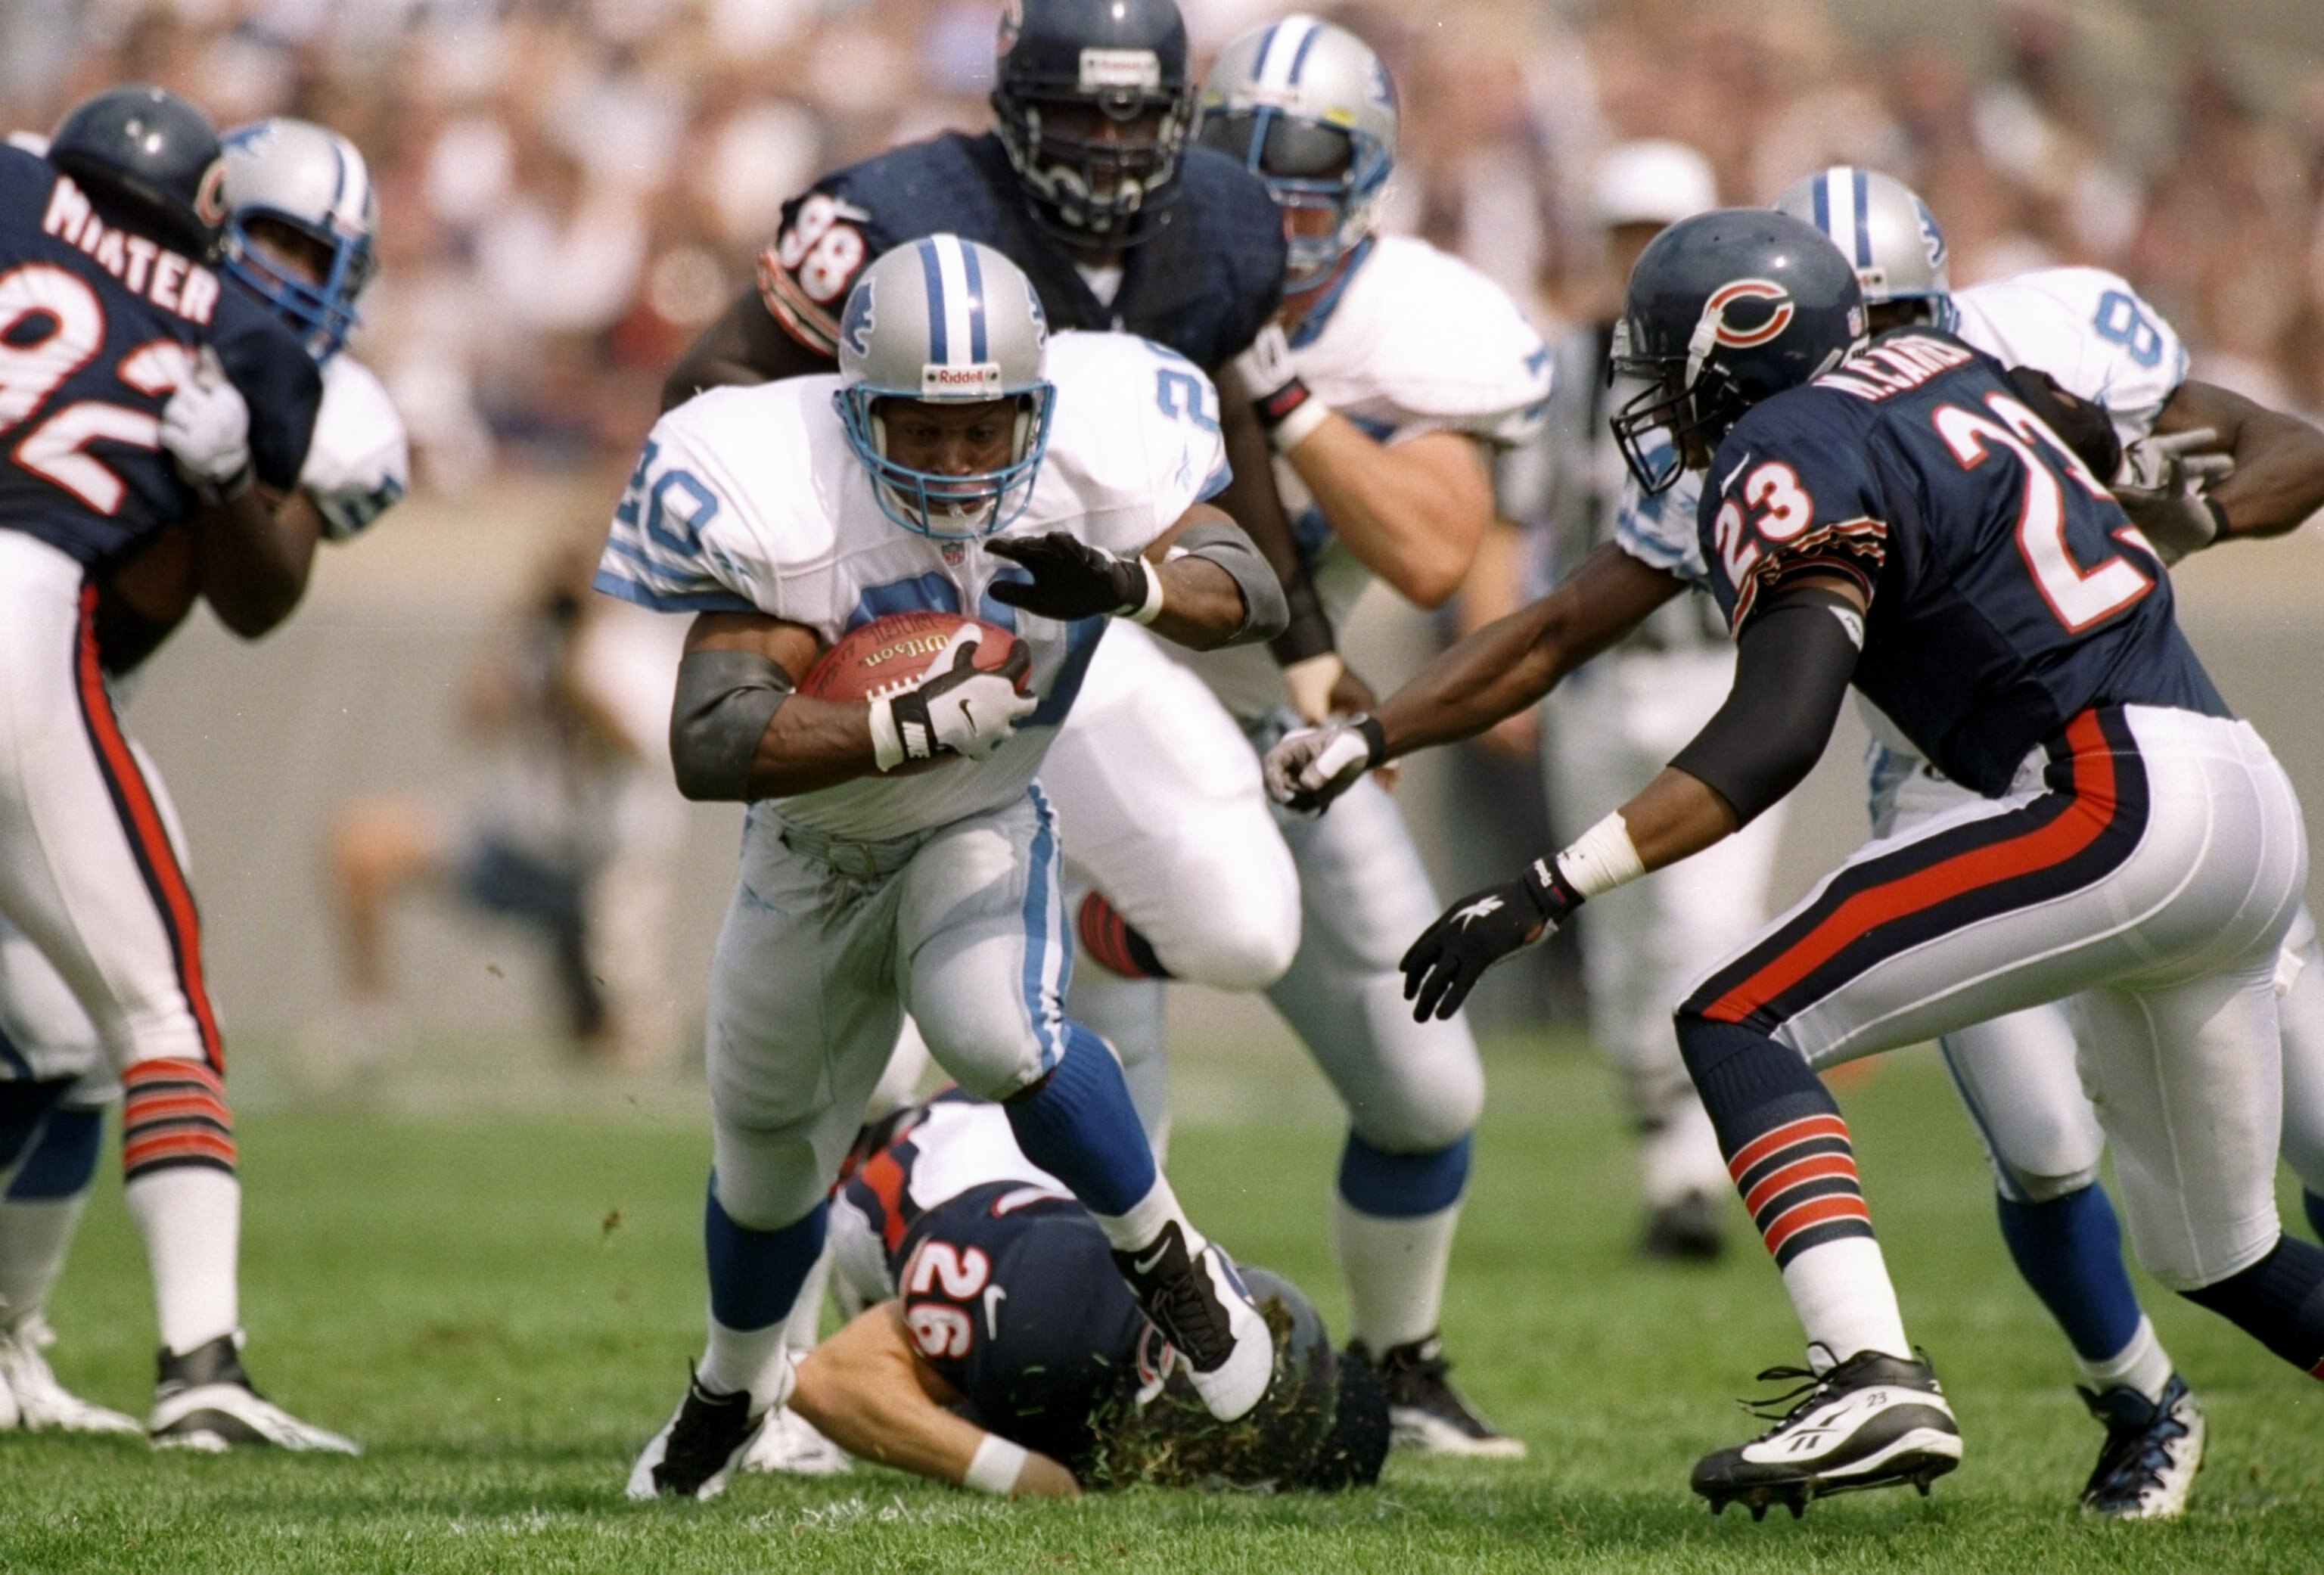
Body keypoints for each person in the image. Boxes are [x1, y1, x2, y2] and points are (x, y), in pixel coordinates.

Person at [1267, 208, 2324, 1517]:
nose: (1653, 398)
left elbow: (1772, 732)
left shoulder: (1789, 441)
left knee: (1736, 1012)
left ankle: (1869, 1371)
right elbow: (2086, 427)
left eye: (1664, 363)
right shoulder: (1959, 368)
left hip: (2108, 795)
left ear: (1735, 349)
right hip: (2238, 796)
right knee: (2220, 1250)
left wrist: (1548, 886)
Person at [601, 236, 1292, 1501]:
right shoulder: (787, 485)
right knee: (766, 1163)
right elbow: (708, 738)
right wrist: (896, 726)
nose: (959, 460)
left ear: (1037, 408)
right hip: (810, 856)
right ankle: (733, 1386)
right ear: (857, 412)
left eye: (986, 429)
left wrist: (1132, 582)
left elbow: (1251, 585)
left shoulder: (1101, 451)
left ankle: (1167, 1258)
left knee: (996, 1031)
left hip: (980, 816)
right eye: (921, 430)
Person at [1770, 164, 2324, 1518]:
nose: (1866, 349)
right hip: (1952, 788)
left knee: (2312, 1122)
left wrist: (2198, 514)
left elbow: (2293, 445)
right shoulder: (1783, 437)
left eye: (1892, 318)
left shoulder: (2057, 333)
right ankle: (2141, 1404)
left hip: (2143, 760)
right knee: (2040, 1142)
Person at [1039, 15, 1549, 1457]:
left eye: (1303, 189)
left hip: (1286, 721)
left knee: (1424, 1087)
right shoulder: (1116, 277)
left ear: (1368, 187)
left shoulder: (1414, 318)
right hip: (1104, 703)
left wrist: (1281, 385)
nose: (1269, 214)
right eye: (1241, 176)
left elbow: (1434, 550)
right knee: (1105, 1095)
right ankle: (1086, 1365)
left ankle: (1403, 1359)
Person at [663, 0, 1351, 725]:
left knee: (1203, 794)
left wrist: (1307, 645)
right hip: (902, 598)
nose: (1110, 145)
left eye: (1137, 116)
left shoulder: (1223, 219)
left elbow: (1218, 416)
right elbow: (712, 383)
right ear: (1016, 107)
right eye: (1078, 113)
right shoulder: (900, 213)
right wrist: (836, 566)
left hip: (1088, 608)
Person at [0, 89, 348, 1450]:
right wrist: (231, 469)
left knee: (63, 1035)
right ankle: (200, 1361)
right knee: (161, 1010)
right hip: (27, 625)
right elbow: (263, 588)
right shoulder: (246, 339)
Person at [1515, 139, 1769, 1262]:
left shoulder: (1764, 363)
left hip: (1719, 672)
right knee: (1616, 938)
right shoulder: (1567, 367)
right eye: (1627, 236)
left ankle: (1696, 1173)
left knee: (1706, 926)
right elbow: (1519, 518)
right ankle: (1669, 1158)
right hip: (1597, 680)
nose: (1642, 258)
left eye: (1660, 236)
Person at [791, 1091, 1390, 1496]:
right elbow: (833, 1379)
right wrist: (1016, 1472)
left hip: (1013, 1165)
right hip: (904, 1173)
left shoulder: (1128, 1320)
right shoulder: (1051, 1318)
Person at [321, 533, 682, 1070]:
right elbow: (477, 720)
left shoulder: (641, 645)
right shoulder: (535, 641)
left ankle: (608, 1013)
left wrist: (578, 675)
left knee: (619, 1052)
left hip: (606, 870)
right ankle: (369, 1022)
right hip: (523, 851)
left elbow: (640, 747)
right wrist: (512, 631)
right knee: (363, 845)